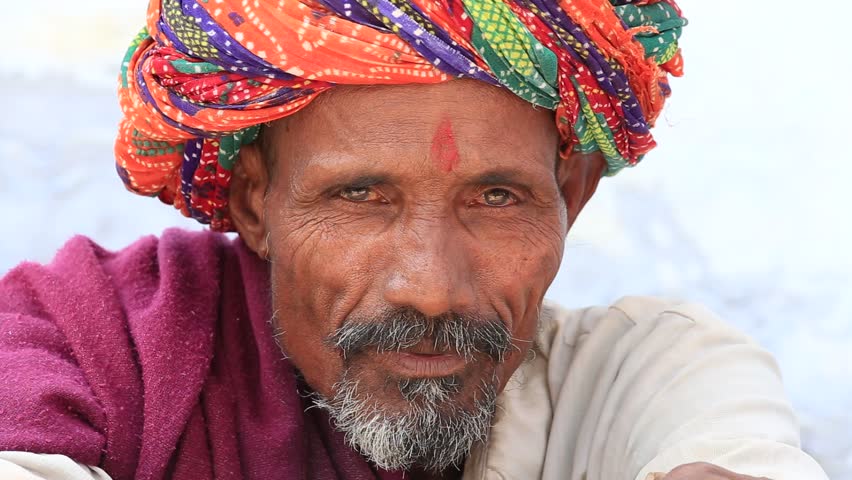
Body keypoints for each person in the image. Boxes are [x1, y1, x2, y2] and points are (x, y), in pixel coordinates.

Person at [0, 1, 829, 479]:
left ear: (570, 196)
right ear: (255, 201)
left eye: (497, 198)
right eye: (360, 197)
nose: (430, 287)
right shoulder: (84, 342)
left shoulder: (642, 382)